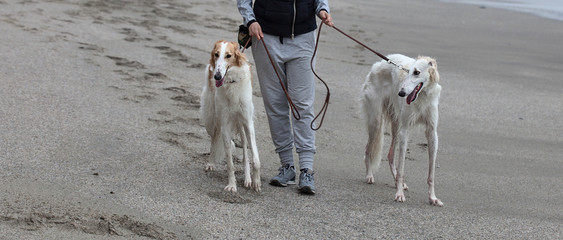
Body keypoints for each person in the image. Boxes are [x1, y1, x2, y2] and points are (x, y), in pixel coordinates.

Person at [237, 0, 334, 194]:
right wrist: (250, 21)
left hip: (304, 37)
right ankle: (287, 166)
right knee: (275, 104)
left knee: (303, 105)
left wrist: (322, 9)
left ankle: (307, 169)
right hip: (265, 36)